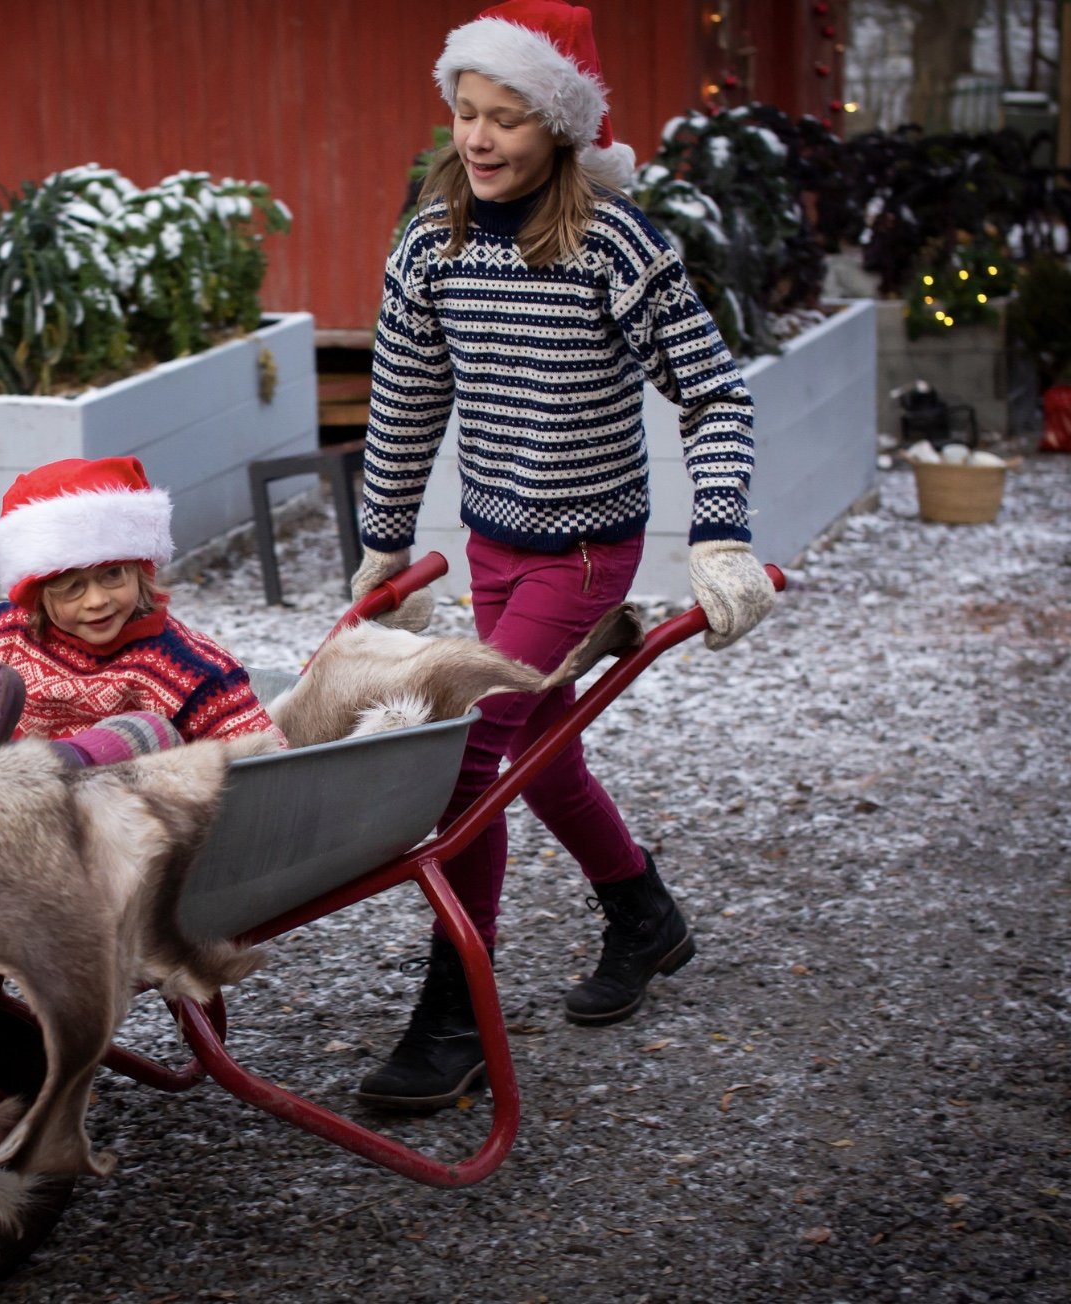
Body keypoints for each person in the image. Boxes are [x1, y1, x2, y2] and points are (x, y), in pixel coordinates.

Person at [349, 0, 777, 1109]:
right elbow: (403, 403)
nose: (477, 139)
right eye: (463, 111)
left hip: (585, 550)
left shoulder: (616, 248)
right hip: (492, 541)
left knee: (467, 758)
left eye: (505, 118)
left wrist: (719, 532)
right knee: (545, 753)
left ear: (561, 129)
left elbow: (715, 395)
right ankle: (643, 915)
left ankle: (456, 1011)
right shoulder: (428, 245)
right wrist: (382, 543)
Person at [0, 455, 285, 773]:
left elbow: (260, 748)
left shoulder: (188, 665)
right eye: (72, 587)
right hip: (5, 792)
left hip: (112, 805)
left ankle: (52, 766)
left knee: (150, 730)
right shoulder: (4, 635)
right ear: (37, 593)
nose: (96, 600)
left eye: (113, 576)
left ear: (141, 571)